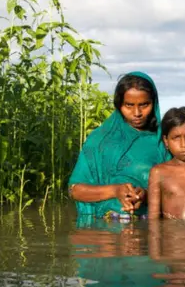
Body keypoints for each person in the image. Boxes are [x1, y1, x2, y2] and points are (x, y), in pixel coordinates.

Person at [68, 71, 171, 220]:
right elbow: (75, 190)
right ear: (119, 104)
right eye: (129, 105)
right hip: (104, 230)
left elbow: (178, 191)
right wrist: (114, 190)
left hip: (148, 226)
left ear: (154, 104)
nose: (137, 113)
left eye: (144, 105)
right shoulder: (100, 140)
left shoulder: (164, 141)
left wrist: (147, 195)